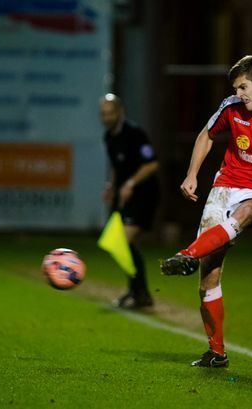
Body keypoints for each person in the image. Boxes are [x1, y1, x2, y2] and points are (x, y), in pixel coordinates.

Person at [160, 55, 252, 367]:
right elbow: (206, 135)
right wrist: (191, 174)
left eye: (244, 87)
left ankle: (187, 254)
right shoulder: (231, 108)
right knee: (208, 280)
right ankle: (217, 353)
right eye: (237, 88)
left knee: (243, 216)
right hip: (225, 187)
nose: (240, 93)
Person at [100, 93, 160, 309]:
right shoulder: (109, 137)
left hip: (144, 193)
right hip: (125, 194)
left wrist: (130, 184)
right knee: (120, 244)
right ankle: (137, 292)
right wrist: (112, 185)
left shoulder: (134, 134)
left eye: (110, 112)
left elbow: (152, 164)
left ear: (120, 112)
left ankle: (140, 292)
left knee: (124, 241)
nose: (107, 117)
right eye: (103, 113)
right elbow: (118, 167)